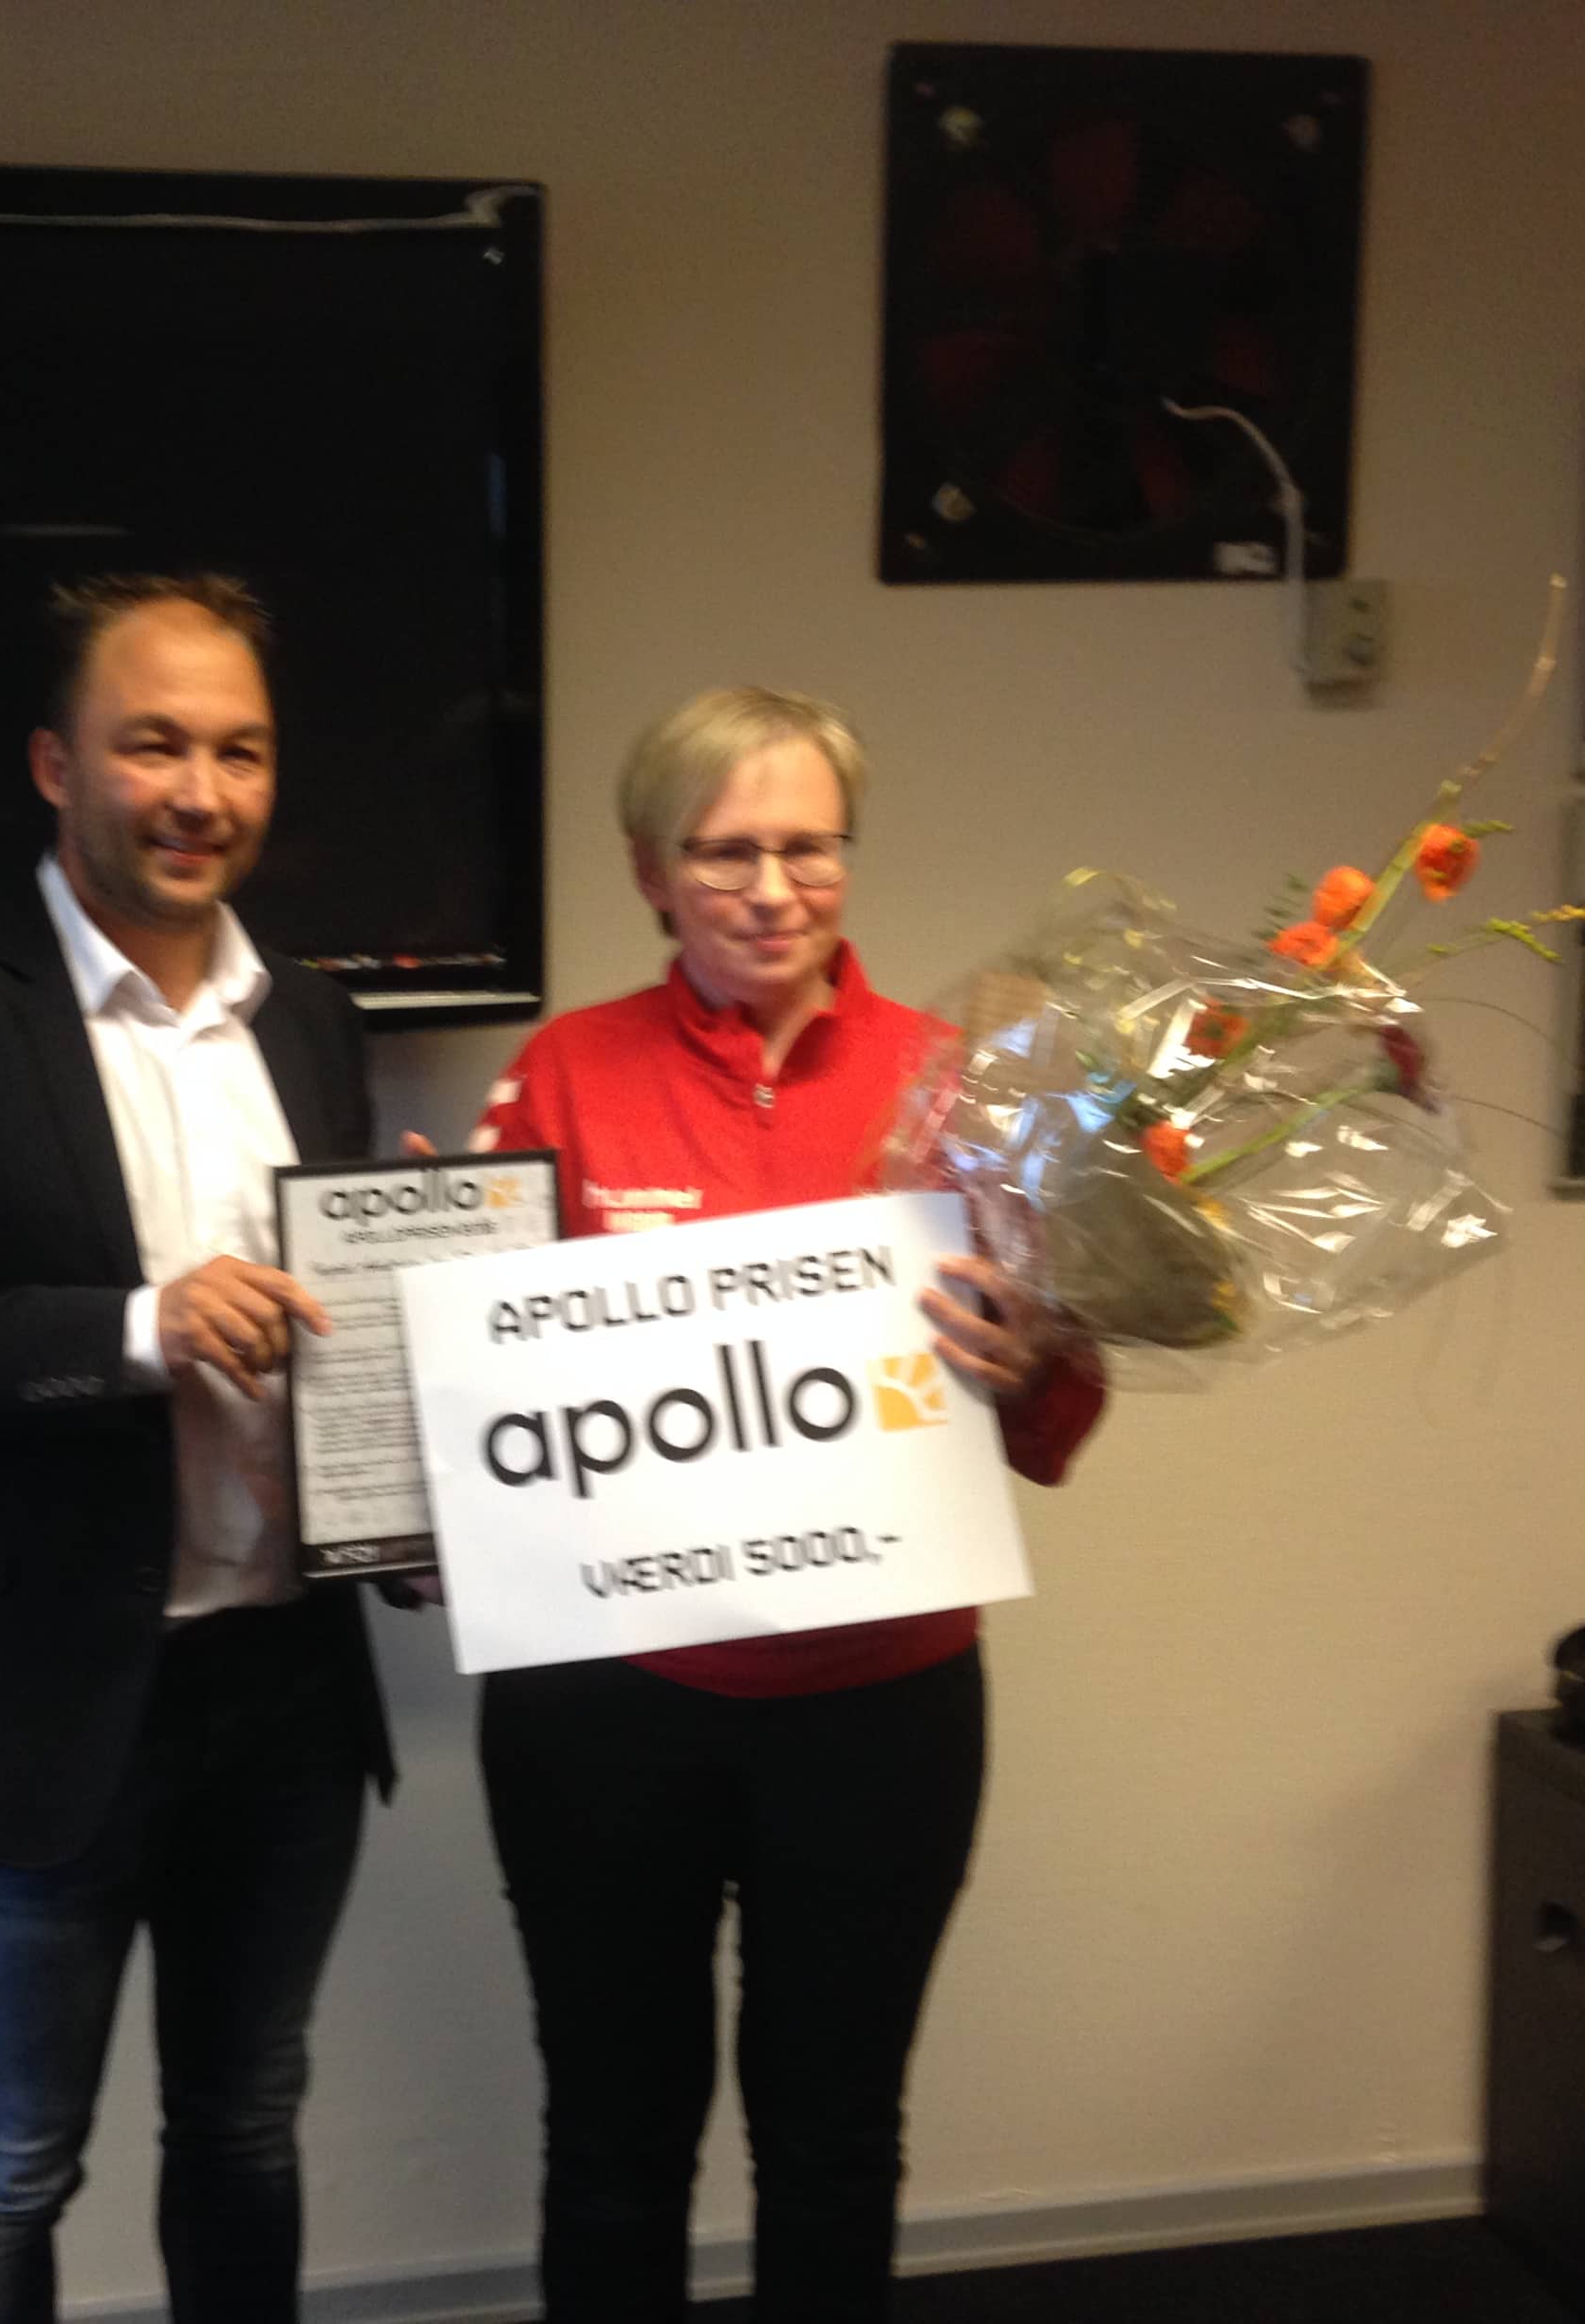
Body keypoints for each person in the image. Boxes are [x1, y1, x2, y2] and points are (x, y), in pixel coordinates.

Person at [0, 573, 393, 2324]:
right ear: (55, 764)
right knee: (11, 2165)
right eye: (154, 745)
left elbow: (339, 1349)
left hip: (285, 1696)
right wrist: (130, 1330)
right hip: (33, 1708)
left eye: (240, 751)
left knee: (247, 2129)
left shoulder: (313, 1017)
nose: (201, 791)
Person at [466, 685, 1106, 2324]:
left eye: (809, 847)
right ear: (650, 869)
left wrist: (1035, 1355)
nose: (771, 889)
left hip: (880, 1710)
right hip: (608, 1708)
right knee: (614, 2142)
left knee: (834, 2140)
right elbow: (481, 1407)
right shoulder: (562, 1077)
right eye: (726, 851)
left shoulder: (955, 1085)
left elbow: (1053, 1427)